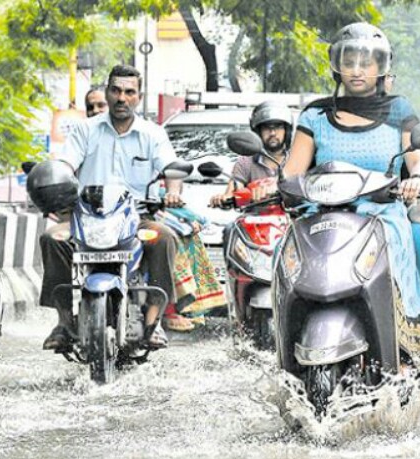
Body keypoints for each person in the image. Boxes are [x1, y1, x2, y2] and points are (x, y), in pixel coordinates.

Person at [258, 22, 420, 354]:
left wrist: (416, 178)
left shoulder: (397, 109)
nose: (357, 71)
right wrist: (277, 186)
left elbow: (417, 161)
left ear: (381, 66)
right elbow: (292, 171)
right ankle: (283, 342)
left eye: (366, 62)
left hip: (382, 212)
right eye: (349, 62)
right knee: (281, 252)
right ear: (337, 66)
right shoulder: (316, 114)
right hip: (322, 213)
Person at [38, 64, 181, 350]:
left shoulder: (153, 134)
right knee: (51, 237)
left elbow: (171, 169)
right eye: (116, 90)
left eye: (129, 92)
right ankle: (65, 321)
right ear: (107, 92)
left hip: (136, 219)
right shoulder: (85, 130)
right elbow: (66, 163)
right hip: (88, 218)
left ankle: (153, 322)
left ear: (139, 97)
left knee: (164, 237)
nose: (121, 97)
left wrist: (173, 193)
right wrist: (56, 182)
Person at [209, 100, 292, 207]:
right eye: (266, 127)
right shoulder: (245, 162)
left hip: (295, 220)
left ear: (287, 131)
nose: (272, 133)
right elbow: (233, 191)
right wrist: (224, 199)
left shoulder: (298, 160)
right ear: (257, 132)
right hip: (255, 220)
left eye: (278, 126)